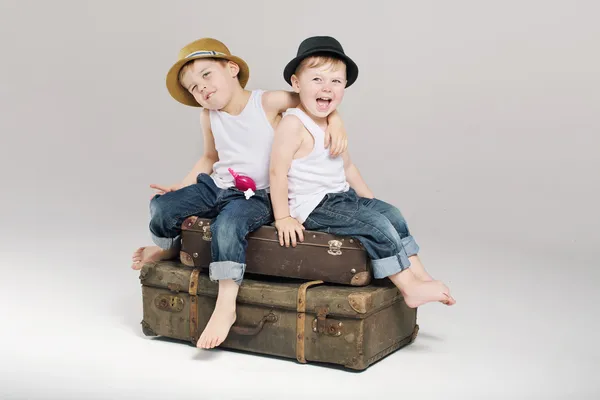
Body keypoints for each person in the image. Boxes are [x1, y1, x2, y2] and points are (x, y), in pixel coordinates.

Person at [131, 37, 349, 349]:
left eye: (206, 75)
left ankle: (225, 304)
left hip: (258, 194)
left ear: (232, 69)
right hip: (218, 185)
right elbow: (209, 157)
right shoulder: (208, 115)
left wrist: (336, 121)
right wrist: (183, 184)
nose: (202, 88)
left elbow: (314, 100)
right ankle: (169, 247)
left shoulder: (267, 102)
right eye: (194, 87)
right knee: (163, 208)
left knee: (228, 225)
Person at [269, 36, 456, 308]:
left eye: (336, 81)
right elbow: (277, 172)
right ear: (297, 84)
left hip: (340, 196)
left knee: (390, 214)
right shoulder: (293, 125)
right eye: (317, 80)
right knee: (376, 226)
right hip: (313, 205)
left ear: (344, 86)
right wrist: (283, 217)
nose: (327, 87)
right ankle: (409, 286)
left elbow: (347, 167)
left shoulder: (332, 124)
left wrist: (370, 202)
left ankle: (421, 275)